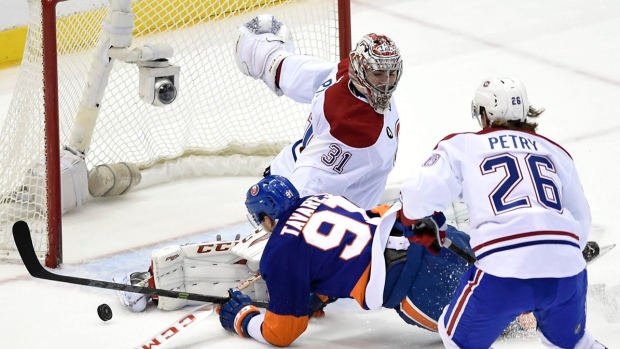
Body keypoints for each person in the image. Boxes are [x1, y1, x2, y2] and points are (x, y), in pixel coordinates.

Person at [399, 77, 607, 348]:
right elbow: (581, 219)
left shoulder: (462, 145)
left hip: (502, 272)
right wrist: (548, 263)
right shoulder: (557, 152)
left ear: (485, 114)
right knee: (577, 344)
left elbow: (416, 197)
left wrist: (416, 222)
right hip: (566, 272)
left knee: (455, 338)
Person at [217, 175, 472, 346]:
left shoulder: (278, 252)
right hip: (435, 237)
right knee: (506, 281)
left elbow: (281, 332)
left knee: (497, 325)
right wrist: (324, 291)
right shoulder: (323, 198)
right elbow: (360, 231)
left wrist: (244, 318)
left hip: (413, 285)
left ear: (267, 216)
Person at [234, 14, 403, 210]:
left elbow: (300, 75)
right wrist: (280, 213)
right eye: (379, 74)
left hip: (287, 169)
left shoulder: (343, 73)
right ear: (359, 70)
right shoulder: (356, 133)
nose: (386, 83)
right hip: (299, 201)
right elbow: (308, 184)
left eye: (392, 74)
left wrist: (268, 59)